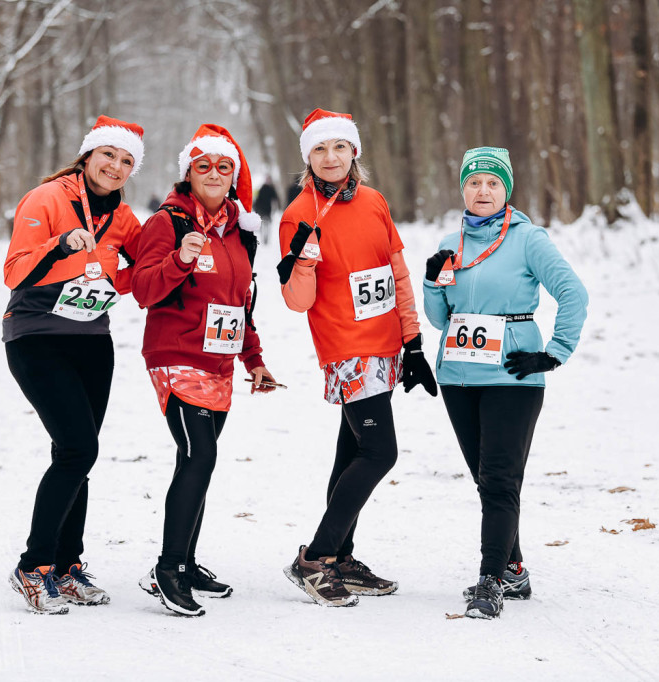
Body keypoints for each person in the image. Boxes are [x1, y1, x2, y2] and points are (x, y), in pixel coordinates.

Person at [277, 108, 437, 607]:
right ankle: (315, 559)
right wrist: (299, 262)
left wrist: (412, 342)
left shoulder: (373, 201)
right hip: (346, 347)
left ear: (354, 152)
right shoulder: (298, 213)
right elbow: (297, 302)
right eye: (320, 150)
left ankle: (341, 556)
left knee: (351, 453)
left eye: (339, 147)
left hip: (387, 344)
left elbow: (398, 274)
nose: (330, 157)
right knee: (379, 452)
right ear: (308, 158)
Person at [422, 146, 588, 619]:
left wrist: (554, 353)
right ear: (463, 189)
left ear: (506, 189)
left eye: (493, 183)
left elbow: (574, 293)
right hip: (457, 373)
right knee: (487, 479)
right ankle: (513, 568)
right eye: (474, 182)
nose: (483, 190)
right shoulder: (449, 241)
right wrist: (434, 284)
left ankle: (489, 580)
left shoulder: (528, 238)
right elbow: (440, 318)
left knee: (499, 479)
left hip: (513, 374)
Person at [131, 124, 278, 617]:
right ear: (187, 173)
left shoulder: (242, 231)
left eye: (223, 166)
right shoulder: (167, 224)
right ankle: (168, 569)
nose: (213, 174)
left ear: (234, 175)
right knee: (201, 456)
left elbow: (242, 304)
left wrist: (254, 359)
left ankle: (187, 562)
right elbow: (143, 291)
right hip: (174, 356)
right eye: (203, 166)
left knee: (197, 460)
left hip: (219, 362)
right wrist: (180, 259)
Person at [2, 115, 146, 614]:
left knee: (78, 454)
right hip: (37, 336)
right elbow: (15, 271)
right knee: (77, 448)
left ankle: (66, 566)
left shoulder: (124, 220)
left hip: (92, 342)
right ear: (87, 156)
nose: (116, 166)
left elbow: (139, 276)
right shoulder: (46, 199)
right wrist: (60, 244)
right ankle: (33, 566)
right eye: (109, 154)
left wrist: (184, 256)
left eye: (127, 161)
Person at [254, 177, 280, 244]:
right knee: (267, 224)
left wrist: (256, 209)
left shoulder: (262, 189)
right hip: (267, 210)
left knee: (264, 224)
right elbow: (276, 199)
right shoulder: (271, 189)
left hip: (263, 210)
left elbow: (257, 200)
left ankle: (265, 237)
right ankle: (266, 238)